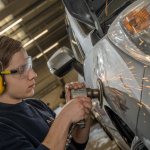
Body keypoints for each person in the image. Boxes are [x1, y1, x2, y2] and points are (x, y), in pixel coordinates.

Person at [0, 36, 92, 150]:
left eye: (29, 64)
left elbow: (75, 145)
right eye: (21, 70)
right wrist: (65, 117)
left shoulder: (36, 104)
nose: (33, 74)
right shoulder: (3, 127)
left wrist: (81, 113)